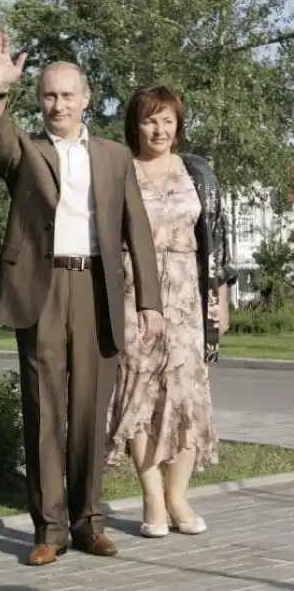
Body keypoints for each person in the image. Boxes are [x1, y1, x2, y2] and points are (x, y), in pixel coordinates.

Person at [0, 32, 164, 566]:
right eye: (48, 96)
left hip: (97, 287)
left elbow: (137, 229)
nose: (57, 105)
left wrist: (149, 299)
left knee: (88, 413)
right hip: (43, 287)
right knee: (44, 413)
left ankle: (89, 523)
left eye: (67, 95)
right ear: (40, 101)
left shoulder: (114, 155)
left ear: (86, 98)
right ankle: (50, 529)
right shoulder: (25, 150)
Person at [105, 84, 238, 538]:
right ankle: (152, 498)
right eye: (149, 119)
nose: (158, 129)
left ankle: (179, 495)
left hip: (188, 295)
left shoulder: (197, 171)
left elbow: (217, 240)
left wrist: (221, 300)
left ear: (178, 124)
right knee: (138, 397)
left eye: (166, 120)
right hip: (133, 292)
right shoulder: (119, 168)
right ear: (135, 125)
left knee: (186, 398)